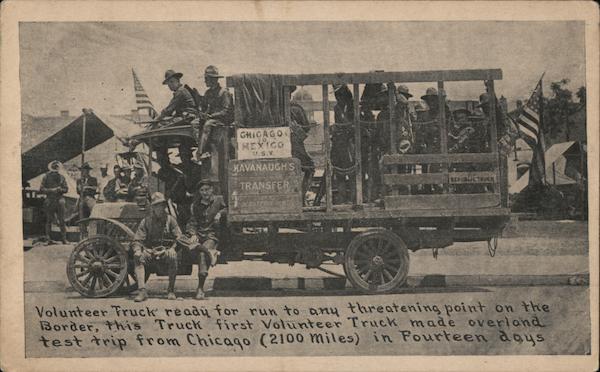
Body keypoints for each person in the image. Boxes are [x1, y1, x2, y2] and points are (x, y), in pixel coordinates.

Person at [131, 192, 181, 302]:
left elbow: (179, 237)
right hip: (151, 251)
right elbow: (137, 239)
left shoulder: (170, 220)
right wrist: (138, 250)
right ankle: (142, 291)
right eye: (157, 206)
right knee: (138, 258)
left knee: (173, 257)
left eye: (162, 205)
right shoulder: (146, 221)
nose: (160, 208)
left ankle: (171, 290)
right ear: (153, 207)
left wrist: (173, 248)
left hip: (165, 251)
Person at [186, 179, 226, 300]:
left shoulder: (218, 200)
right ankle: (210, 253)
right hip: (199, 235)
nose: (205, 193)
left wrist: (220, 213)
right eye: (202, 190)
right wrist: (193, 234)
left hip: (211, 235)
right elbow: (192, 222)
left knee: (202, 253)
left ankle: (200, 288)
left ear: (212, 190)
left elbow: (228, 209)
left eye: (207, 190)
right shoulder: (195, 205)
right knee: (187, 242)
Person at [195, 65, 234, 161]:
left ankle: (201, 152)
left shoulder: (224, 92)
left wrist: (211, 116)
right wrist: (201, 112)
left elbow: (226, 111)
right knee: (194, 123)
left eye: (206, 79)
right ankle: (202, 147)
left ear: (213, 80)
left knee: (208, 124)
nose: (205, 81)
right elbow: (203, 106)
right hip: (211, 118)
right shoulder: (208, 93)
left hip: (223, 120)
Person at [288, 86, 315, 205]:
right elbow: (307, 126)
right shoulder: (296, 108)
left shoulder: (274, 109)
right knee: (310, 168)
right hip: (295, 146)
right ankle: (300, 198)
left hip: (280, 147)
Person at [331, 84, 356, 204]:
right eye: (337, 95)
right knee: (339, 172)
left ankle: (353, 199)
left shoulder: (352, 106)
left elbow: (354, 125)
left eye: (340, 94)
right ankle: (342, 199)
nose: (338, 97)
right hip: (339, 144)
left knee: (352, 172)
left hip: (350, 144)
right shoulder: (337, 108)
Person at [169, 143, 203, 227]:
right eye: (182, 155)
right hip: (184, 199)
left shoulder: (196, 168)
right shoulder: (181, 168)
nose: (183, 157)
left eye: (185, 154)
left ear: (190, 155)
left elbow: (197, 184)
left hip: (197, 197)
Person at [40, 160, 68, 244]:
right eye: (54, 168)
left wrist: (61, 189)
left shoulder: (62, 177)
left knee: (62, 220)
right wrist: (52, 190)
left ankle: (64, 239)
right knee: (49, 220)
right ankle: (48, 238)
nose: (55, 171)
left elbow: (66, 189)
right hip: (50, 200)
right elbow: (41, 189)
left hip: (60, 200)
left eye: (57, 168)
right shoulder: (46, 177)